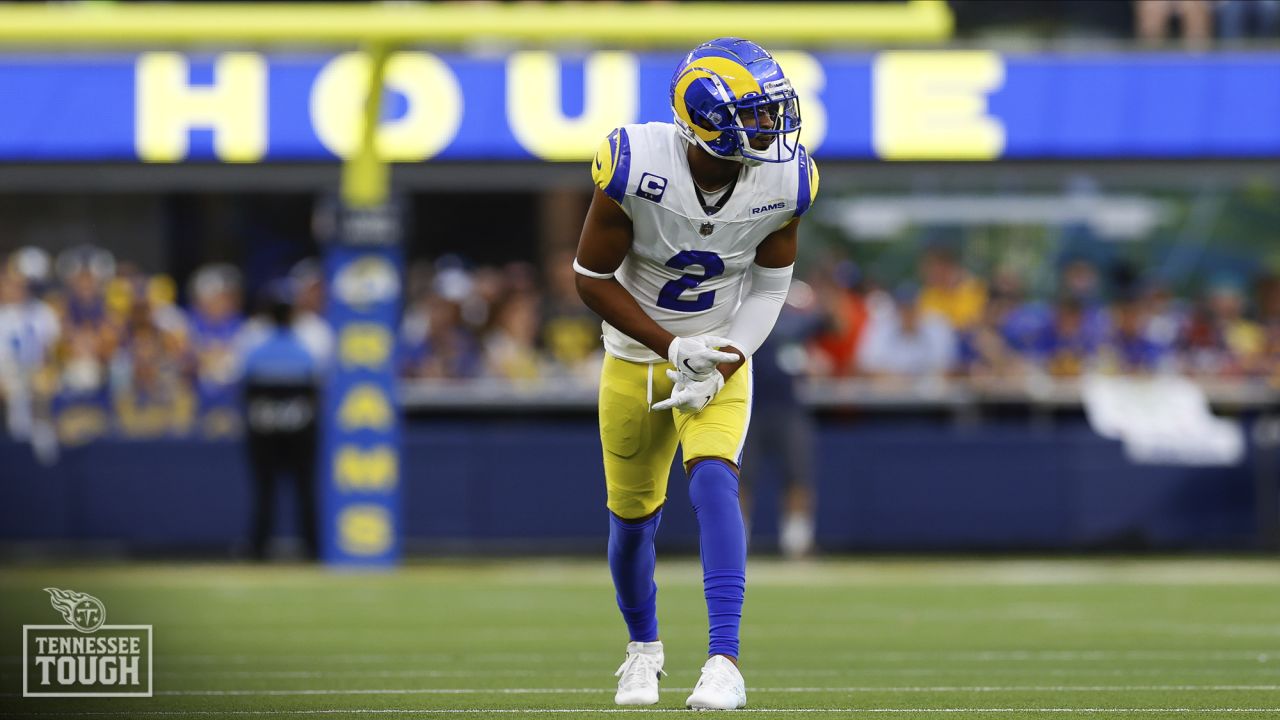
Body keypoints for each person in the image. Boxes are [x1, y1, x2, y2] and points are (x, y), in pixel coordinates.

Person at [574, 37, 816, 710]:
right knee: (631, 523)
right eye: (756, 114)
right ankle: (643, 650)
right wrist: (667, 347)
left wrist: (726, 356)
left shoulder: (787, 179)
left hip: (719, 353)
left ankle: (724, 661)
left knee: (715, 480)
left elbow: (769, 291)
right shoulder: (634, 163)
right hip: (633, 359)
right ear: (706, 120)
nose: (773, 128)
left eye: (772, 112)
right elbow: (590, 278)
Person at [241, 288, 321, 560]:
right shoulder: (304, 352)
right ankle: (313, 548)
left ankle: (258, 549)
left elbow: (245, 391)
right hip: (300, 434)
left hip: (263, 434)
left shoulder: (256, 351)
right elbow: (315, 392)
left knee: (265, 492)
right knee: (305, 490)